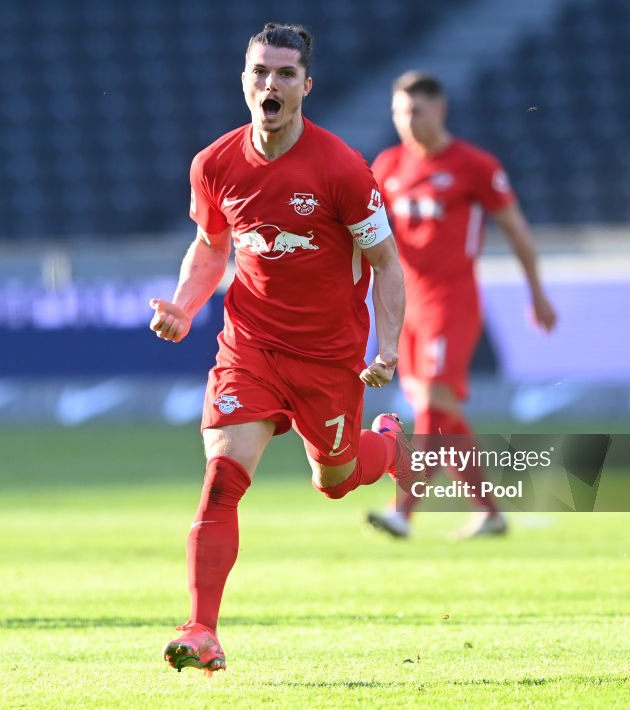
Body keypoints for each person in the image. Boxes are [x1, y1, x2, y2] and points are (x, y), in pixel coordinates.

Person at [149, 23, 415, 675]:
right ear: (244, 79)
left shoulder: (341, 169)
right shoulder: (213, 164)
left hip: (328, 358)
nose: (270, 84)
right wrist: (185, 304)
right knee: (221, 481)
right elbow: (213, 245)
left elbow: (385, 262)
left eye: (285, 74)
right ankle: (202, 629)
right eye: (260, 72)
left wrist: (388, 349)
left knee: (336, 480)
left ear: (306, 86)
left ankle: (387, 447)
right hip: (251, 346)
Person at [367, 71, 557, 541]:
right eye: (399, 113)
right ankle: (490, 512)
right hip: (405, 306)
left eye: (415, 112)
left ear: (440, 110)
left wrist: (537, 293)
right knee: (443, 415)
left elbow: (515, 229)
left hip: (452, 301)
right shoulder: (387, 165)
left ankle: (403, 512)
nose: (407, 122)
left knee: (432, 405)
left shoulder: (473, 164)